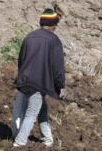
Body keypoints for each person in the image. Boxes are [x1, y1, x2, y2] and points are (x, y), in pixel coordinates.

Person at [11, 8, 66, 148]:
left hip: (24, 81)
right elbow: (58, 66)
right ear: (53, 26)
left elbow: (21, 60)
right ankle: (19, 143)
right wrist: (60, 85)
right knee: (31, 113)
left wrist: (21, 78)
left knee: (41, 107)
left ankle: (47, 139)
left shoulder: (29, 37)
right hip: (39, 82)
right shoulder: (54, 40)